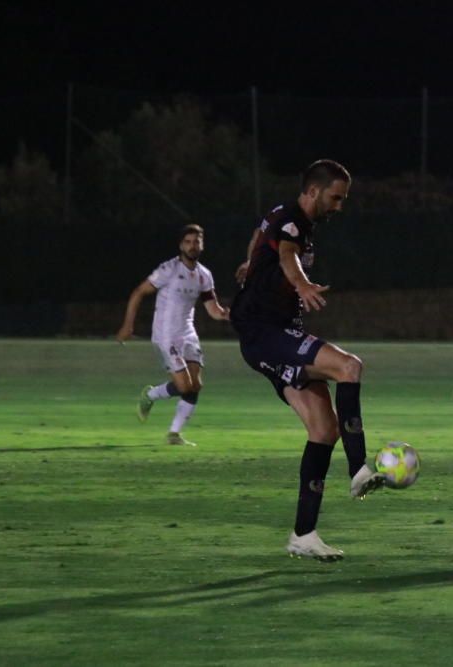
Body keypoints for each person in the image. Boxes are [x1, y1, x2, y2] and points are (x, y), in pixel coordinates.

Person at [230, 159, 384, 562]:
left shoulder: (280, 217)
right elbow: (286, 255)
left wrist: (249, 263)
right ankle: (358, 469)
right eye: (335, 197)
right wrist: (302, 284)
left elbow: (261, 239)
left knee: (323, 428)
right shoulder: (294, 221)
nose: (339, 206)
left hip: (267, 335)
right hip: (267, 333)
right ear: (313, 190)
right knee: (350, 366)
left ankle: (303, 534)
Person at [116, 224, 230, 446]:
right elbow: (139, 292)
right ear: (181, 245)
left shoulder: (204, 275)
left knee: (195, 384)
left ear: (202, 244)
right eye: (187, 242)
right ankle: (150, 395)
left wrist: (228, 315)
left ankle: (174, 434)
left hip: (188, 334)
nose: (192, 246)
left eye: (196, 241)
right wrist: (128, 325)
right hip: (166, 335)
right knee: (184, 386)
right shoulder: (168, 269)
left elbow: (213, 310)